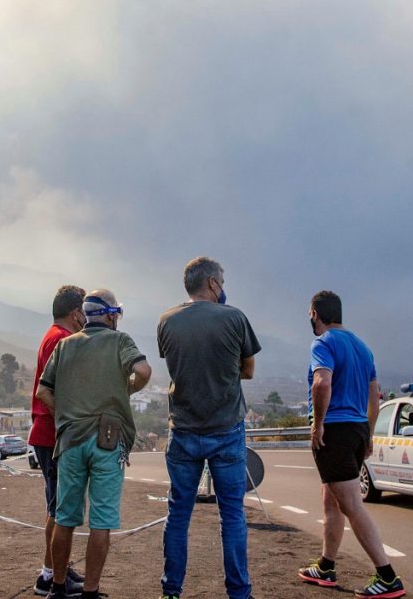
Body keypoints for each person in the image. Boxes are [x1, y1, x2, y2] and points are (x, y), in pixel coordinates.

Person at [36, 289, 152, 599]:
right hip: (108, 438)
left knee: (65, 517)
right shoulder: (120, 341)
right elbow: (142, 371)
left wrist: (67, 411)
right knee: (102, 520)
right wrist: (122, 389)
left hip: (71, 439)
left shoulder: (64, 345)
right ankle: (90, 591)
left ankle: (57, 588)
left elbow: (43, 392)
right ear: (112, 315)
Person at [157, 256, 260, 599]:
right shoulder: (234, 318)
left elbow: (176, 366)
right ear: (214, 283)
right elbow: (248, 370)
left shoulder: (166, 321)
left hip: (183, 430)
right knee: (232, 515)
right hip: (227, 429)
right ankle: (239, 592)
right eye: (223, 280)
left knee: (178, 513)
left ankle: (171, 590)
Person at [298, 291, 404, 598]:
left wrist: (318, 424)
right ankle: (326, 566)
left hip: (336, 429)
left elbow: (322, 382)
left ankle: (387, 576)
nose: (309, 318)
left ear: (316, 313)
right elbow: (375, 395)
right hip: (357, 429)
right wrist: (369, 432)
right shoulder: (363, 346)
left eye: (310, 313)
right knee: (331, 500)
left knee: (351, 505)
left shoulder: (324, 343)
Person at [30, 285, 88, 596]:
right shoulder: (62, 340)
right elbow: (60, 392)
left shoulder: (53, 335)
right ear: (76, 312)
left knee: (58, 508)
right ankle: (49, 576)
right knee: (59, 511)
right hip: (53, 435)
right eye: (85, 310)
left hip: (48, 433)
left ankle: (56, 568)